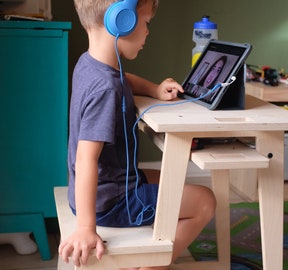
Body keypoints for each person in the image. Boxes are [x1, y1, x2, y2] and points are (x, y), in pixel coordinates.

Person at [58, 1, 217, 270]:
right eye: (146, 23)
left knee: (172, 178)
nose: (147, 32)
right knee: (204, 201)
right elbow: (85, 159)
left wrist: (154, 89)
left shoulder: (90, 65)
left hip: (104, 189)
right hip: (111, 202)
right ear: (122, 21)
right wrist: (86, 227)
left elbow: (123, 78)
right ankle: (152, 265)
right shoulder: (106, 90)